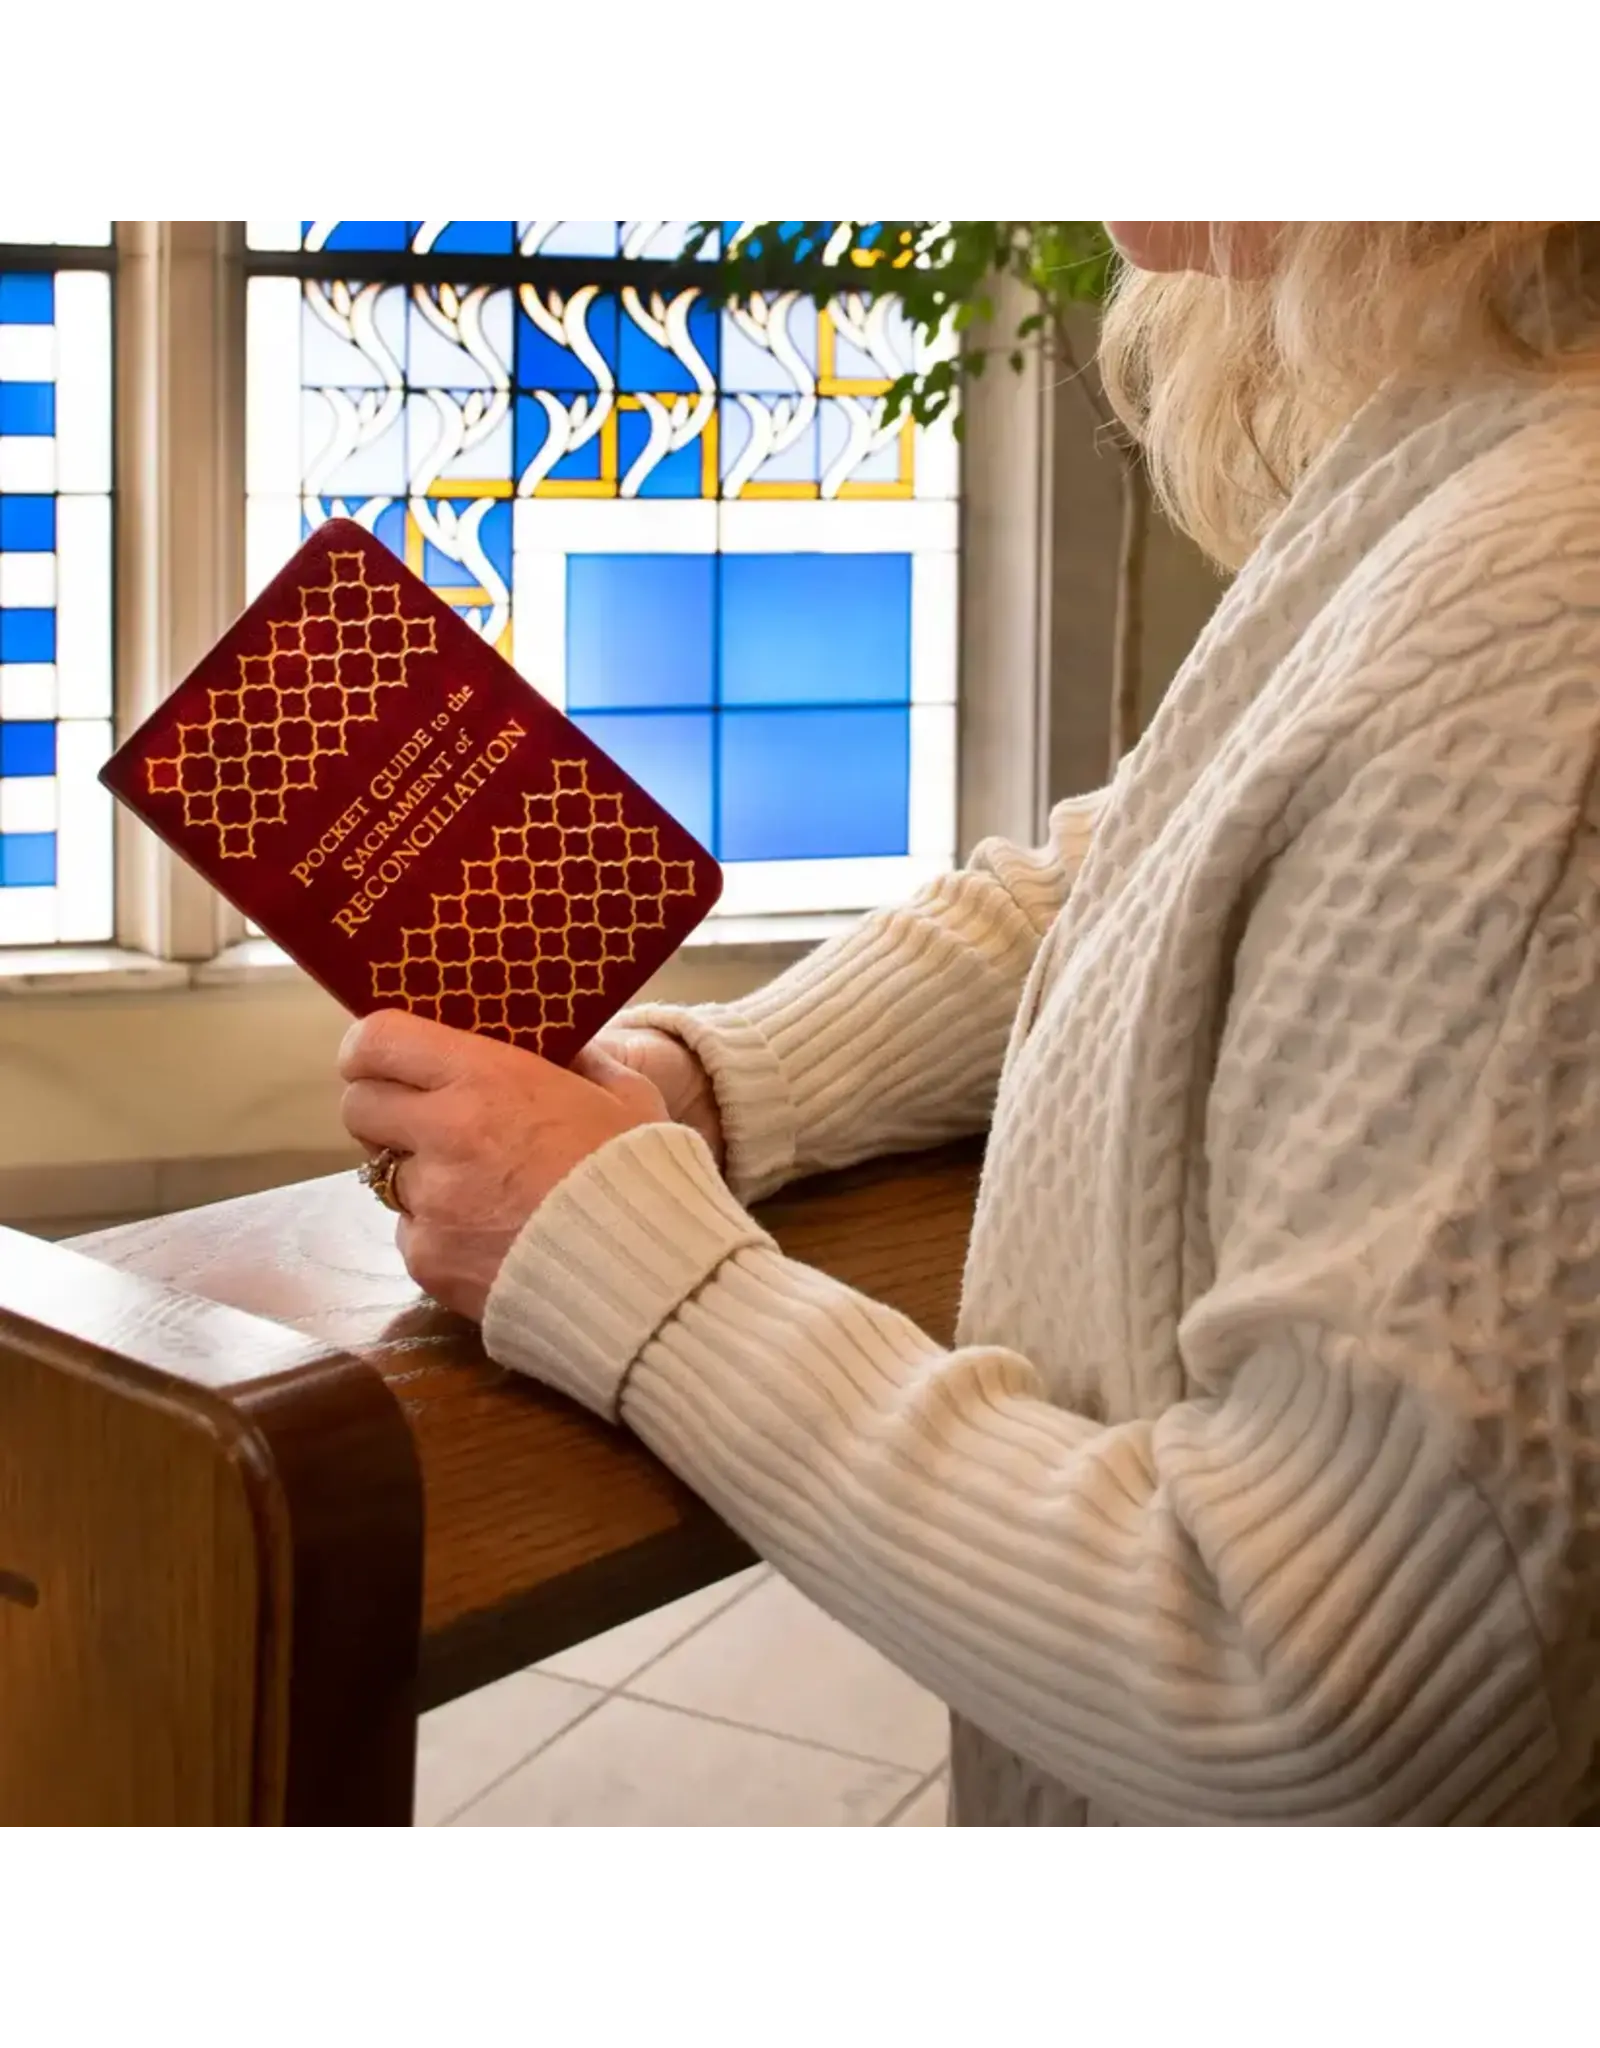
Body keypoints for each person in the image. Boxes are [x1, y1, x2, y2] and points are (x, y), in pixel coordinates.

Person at [339, 218, 1600, 1830]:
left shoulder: (1543, 604)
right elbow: (1149, 850)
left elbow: (1307, 1688)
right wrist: (721, 1085)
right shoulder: (1477, 429)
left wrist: (619, 1264)